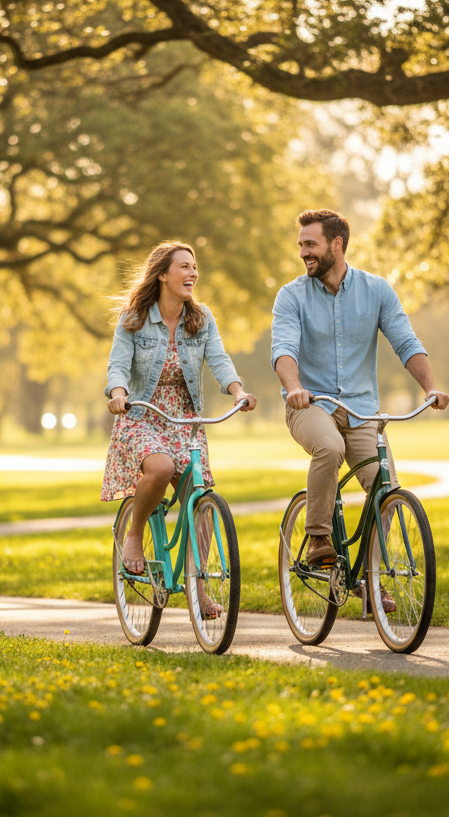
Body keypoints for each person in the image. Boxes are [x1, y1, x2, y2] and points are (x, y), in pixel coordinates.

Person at [271, 209, 449, 611]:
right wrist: (295, 388)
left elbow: (406, 341)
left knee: (384, 487)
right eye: (300, 245)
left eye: (310, 244)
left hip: (362, 410)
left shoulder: (377, 290)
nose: (303, 253)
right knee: (329, 448)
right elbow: (282, 349)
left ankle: (369, 577)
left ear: (337, 244)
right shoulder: (291, 295)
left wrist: (431, 388)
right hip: (310, 405)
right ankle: (318, 537)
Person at [102, 241, 257, 618]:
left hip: (185, 421)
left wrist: (237, 391)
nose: (192, 273)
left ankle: (199, 590)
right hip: (141, 415)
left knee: (199, 501)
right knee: (160, 469)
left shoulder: (200, 319)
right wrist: (119, 393)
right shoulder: (133, 319)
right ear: (162, 275)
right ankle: (135, 535)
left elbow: (219, 359)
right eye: (184, 267)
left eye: (194, 267)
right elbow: (118, 366)